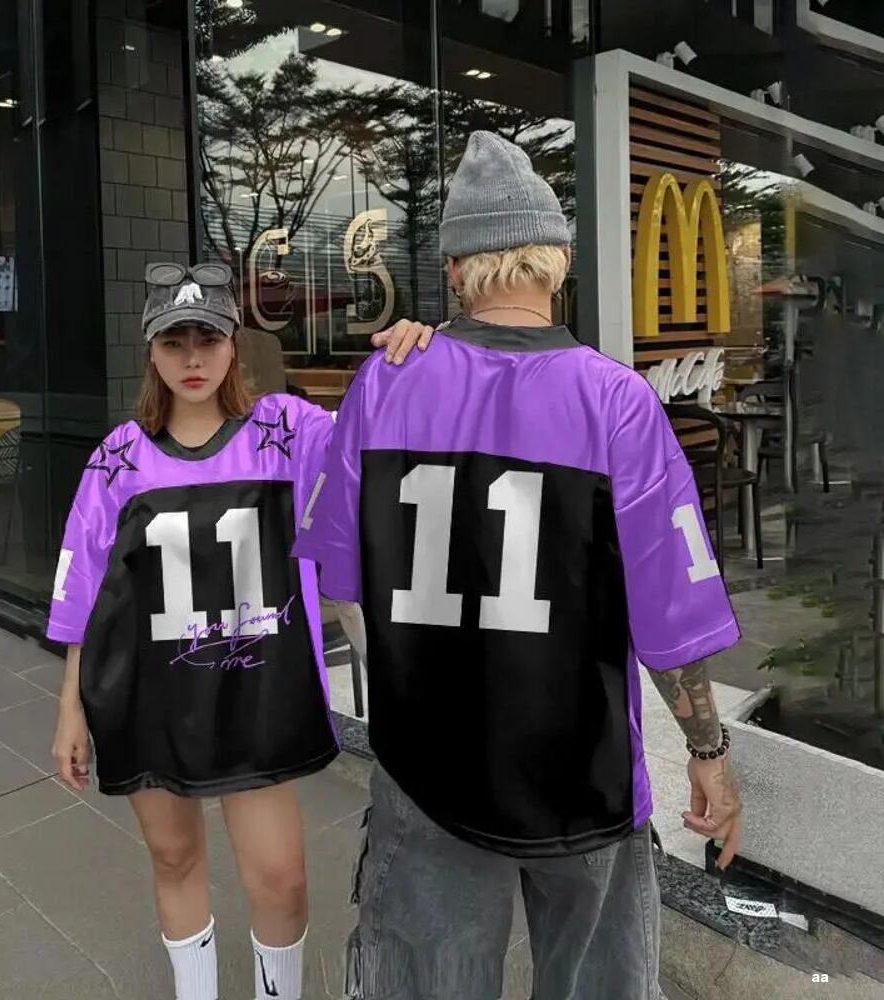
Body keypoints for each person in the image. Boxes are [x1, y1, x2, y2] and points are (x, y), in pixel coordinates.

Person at [293, 132, 744, 1000]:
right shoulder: (619, 402)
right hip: (586, 778)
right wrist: (709, 753)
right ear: (561, 261)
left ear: (454, 271)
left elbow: (343, 586)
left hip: (429, 772)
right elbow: (672, 626)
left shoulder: (385, 383)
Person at [47, 261, 433, 1000]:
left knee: (282, 881)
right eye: (174, 342)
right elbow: (82, 589)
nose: (192, 359)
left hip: (258, 694)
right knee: (174, 859)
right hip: (148, 697)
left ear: (234, 344)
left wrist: (416, 354)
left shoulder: (286, 432)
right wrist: (71, 708)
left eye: (208, 339)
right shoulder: (119, 458)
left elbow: (375, 434)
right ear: (151, 351)